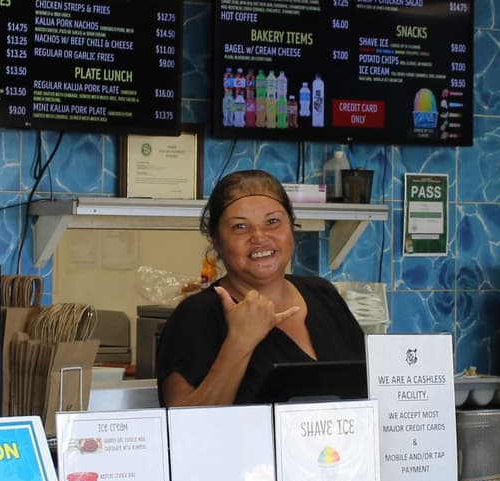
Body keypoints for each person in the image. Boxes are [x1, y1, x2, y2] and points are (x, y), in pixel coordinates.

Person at [156, 169, 365, 407]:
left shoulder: (323, 294)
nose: (259, 236)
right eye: (240, 227)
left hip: (335, 446)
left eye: (273, 222)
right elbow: (183, 429)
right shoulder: (196, 316)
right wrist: (239, 342)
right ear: (216, 241)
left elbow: (368, 389)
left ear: (291, 228)